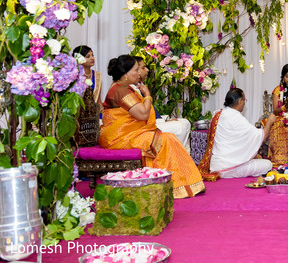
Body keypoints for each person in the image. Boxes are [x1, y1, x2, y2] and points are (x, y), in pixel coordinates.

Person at [99, 55, 205, 198]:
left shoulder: (122, 88)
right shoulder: (120, 90)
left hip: (127, 134)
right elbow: (142, 114)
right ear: (125, 74)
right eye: (136, 70)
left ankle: (183, 183)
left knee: (168, 138)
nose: (139, 73)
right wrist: (147, 95)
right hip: (119, 138)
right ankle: (174, 185)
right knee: (166, 140)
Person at [199, 88, 273, 178]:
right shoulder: (235, 117)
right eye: (244, 100)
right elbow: (261, 136)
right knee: (267, 165)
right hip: (228, 168)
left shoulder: (219, 114)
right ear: (240, 101)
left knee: (258, 160)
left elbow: (237, 142)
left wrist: (254, 155)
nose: (245, 103)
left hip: (216, 165)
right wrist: (269, 121)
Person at [132, 56, 191, 151]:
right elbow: (142, 114)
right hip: (143, 128)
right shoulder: (132, 89)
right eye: (143, 68)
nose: (147, 70)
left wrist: (163, 120)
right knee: (181, 126)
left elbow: (150, 111)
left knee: (185, 122)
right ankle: (176, 158)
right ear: (134, 70)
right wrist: (147, 95)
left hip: (152, 122)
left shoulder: (139, 86)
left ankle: (178, 157)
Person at [73, 45, 102, 110]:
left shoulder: (97, 75)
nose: (92, 58)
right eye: (88, 56)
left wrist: (102, 114)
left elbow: (98, 100)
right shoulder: (75, 76)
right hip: (78, 114)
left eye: (92, 55)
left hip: (94, 113)